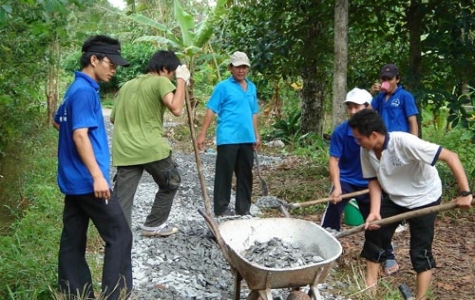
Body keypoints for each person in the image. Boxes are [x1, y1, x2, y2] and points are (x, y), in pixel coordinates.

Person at [348, 109, 472, 300]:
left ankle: (420, 298)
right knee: (374, 236)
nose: (357, 142)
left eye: (359, 138)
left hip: (425, 197)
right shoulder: (366, 149)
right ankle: (368, 294)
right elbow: (373, 180)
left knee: (420, 250)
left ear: (373, 135)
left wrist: (465, 193)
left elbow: (451, 156)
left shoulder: (405, 143)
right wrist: (374, 212)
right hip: (396, 196)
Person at [53, 35, 132, 300]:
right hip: (89, 181)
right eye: (110, 63)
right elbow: (79, 135)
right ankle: (115, 295)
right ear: (94, 59)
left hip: (73, 179)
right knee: (120, 234)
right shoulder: (85, 91)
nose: (114, 69)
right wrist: (98, 176)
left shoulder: (75, 87)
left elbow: (58, 122)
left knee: (73, 237)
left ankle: (76, 293)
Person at [110, 50, 190, 237]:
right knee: (171, 182)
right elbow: (177, 109)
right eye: (171, 74)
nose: (170, 78)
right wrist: (181, 81)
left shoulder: (126, 86)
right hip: (151, 148)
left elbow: (113, 118)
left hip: (125, 150)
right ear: (164, 69)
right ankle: (153, 225)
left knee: (123, 199)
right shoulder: (161, 81)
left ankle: (119, 238)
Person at [197, 51, 260, 217]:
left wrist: (256, 135)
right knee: (224, 173)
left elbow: (254, 112)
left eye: (244, 67)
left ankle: (243, 208)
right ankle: (221, 209)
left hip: (247, 137)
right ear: (230, 68)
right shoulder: (223, 87)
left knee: (245, 174)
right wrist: (202, 134)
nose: (241, 70)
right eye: (238, 67)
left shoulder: (252, 87)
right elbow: (211, 109)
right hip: (228, 137)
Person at [321, 88, 372, 231]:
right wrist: (337, 187)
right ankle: (327, 241)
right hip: (345, 179)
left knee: (375, 220)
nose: (353, 111)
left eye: (357, 107)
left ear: (367, 107)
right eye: (350, 107)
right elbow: (334, 160)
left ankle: (382, 252)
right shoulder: (340, 131)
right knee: (333, 209)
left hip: (370, 181)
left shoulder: (376, 131)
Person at [371, 64, 419, 135]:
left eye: (390, 79)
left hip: (401, 141)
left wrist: (414, 143)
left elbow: (413, 121)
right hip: (384, 140)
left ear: (397, 79)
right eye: (384, 79)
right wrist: (371, 93)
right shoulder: (380, 97)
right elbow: (366, 112)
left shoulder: (405, 96)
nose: (386, 82)